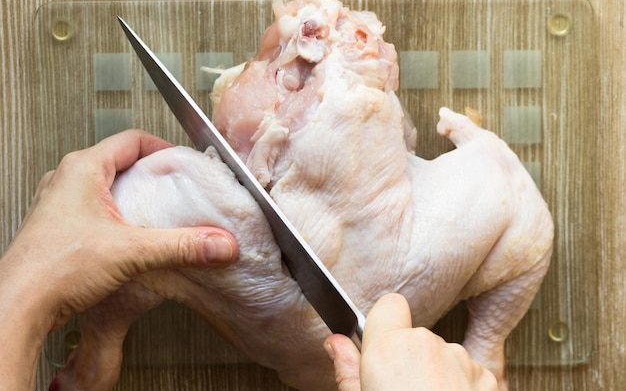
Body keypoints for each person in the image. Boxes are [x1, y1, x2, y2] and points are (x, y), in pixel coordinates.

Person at [0, 130, 497, 391]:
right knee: (503, 193)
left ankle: (99, 342)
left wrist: (24, 287)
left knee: (133, 200)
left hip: (350, 362)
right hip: (358, 366)